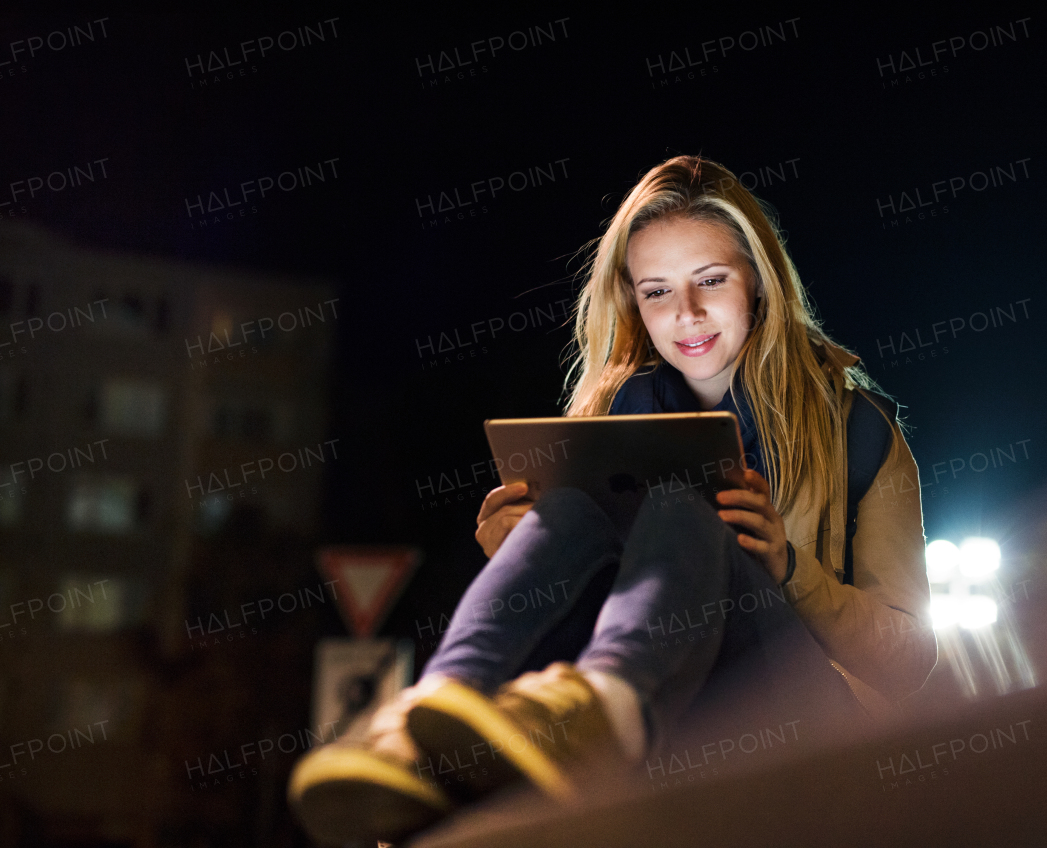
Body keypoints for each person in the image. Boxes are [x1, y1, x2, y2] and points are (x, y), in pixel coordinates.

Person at [287, 156, 937, 846]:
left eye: (710, 281)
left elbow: (910, 660)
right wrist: (525, 545)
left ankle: (609, 710)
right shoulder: (601, 428)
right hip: (668, 728)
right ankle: (416, 733)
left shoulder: (861, 429)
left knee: (687, 504)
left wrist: (790, 568)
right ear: (634, 303)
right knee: (564, 512)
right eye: (657, 292)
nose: (685, 313)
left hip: (799, 729)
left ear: (759, 284)